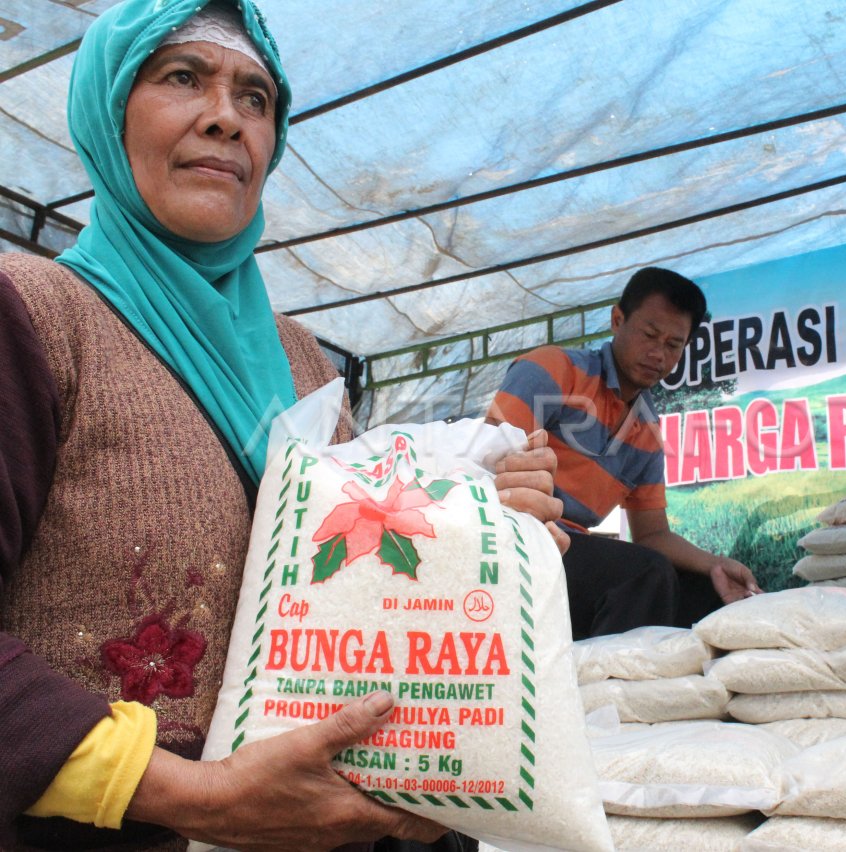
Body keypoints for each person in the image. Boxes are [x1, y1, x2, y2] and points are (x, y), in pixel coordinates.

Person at [0, 2, 562, 851]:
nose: (227, 116)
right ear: (106, 110)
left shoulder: (302, 362)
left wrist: (485, 527)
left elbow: (359, 583)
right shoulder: (35, 315)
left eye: (256, 97)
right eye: (181, 76)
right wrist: (199, 796)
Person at [487, 266, 762, 640]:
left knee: (706, 594)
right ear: (618, 320)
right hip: (508, 539)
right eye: (650, 334)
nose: (658, 354)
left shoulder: (647, 433)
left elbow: (652, 534)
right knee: (644, 574)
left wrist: (715, 565)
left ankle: (657, 693)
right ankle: (607, 689)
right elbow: (487, 466)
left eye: (672, 345)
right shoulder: (554, 369)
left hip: (568, 551)